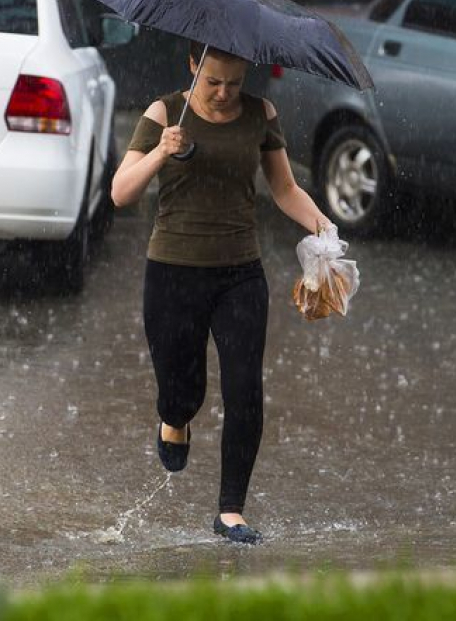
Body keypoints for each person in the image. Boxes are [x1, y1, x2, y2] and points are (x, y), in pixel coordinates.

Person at [111, 41, 333, 545]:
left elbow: (284, 189)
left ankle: (230, 510)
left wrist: (324, 228)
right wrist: (162, 151)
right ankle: (175, 419)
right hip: (173, 272)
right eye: (212, 81)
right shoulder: (165, 111)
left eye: (233, 83)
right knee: (182, 390)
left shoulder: (261, 114)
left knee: (244, 390)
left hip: (240, 275)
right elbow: (121, 192)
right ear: (193, 65)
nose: (223, 93)